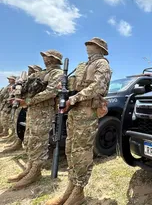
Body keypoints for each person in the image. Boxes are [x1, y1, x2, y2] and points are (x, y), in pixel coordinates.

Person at [45, 37, 111, 205]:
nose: (88, 46)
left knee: (81, 152)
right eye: (88, 44)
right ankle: (71, 187)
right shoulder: (84, 65)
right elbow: (77, 85)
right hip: (75, 113)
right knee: (71, 150)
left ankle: (79, 191)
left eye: (91, 44)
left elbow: (98, 87)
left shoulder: (102, 64)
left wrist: (73, 99)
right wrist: (65, 87)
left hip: (87, 112)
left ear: (99, 48)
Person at [8, 50, 63, 190]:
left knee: (39, 141)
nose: (44, 58)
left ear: (53, 59)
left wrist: (28, 101)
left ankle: (35, 172)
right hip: (33, 111)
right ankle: (30, 168)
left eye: (46, 56)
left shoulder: (57, 73)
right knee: (30, 140)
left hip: (44, 112)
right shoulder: (43, 73)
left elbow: (51, 92)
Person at [2, 65, 43, 153]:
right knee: (17, 124)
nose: (29, 71)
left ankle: (24, 145)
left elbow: (33, 95)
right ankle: (17, 142)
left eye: (31, 70)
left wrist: (26, 101)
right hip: (22, 105)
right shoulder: (26, 81)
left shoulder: (38, 80)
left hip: (30, 106)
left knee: (29, 129)